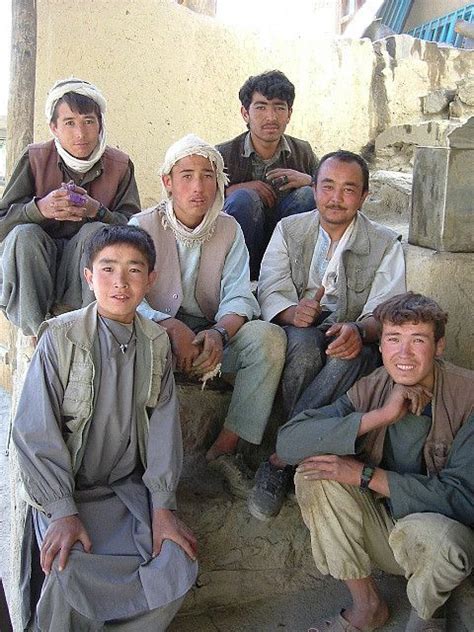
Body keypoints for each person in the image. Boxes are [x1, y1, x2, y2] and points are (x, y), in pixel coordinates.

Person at [12, 225, 198, 631]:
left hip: (124, 495)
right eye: (108, 268)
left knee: (176, 564)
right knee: (65, 565)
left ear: (150, 280)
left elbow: (164, 428)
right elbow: (34, 432)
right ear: (88, 276)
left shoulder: (156, 343)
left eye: (134, 270)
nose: (120, 282)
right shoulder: (60, 338)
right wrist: (62, 511)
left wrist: (163, 507)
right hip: (69, 491)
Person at [277, 292, 474, 632]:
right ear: (381, 346)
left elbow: (466, 501)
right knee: (314, 475)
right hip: (386, 533)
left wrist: (366, 475)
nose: (404, 354)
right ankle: (367, 605)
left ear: (439, 346)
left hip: (441, 539)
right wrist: (379, 416)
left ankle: (427, 616)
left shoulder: (467, 395)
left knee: (441, 542)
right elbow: (289, 442)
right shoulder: (374, 386)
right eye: (393, 340)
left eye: (418, 340)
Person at [249, 150, 406, 521]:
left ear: (365, 196)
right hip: (298, 330)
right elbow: (271, 286)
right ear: (314, 189)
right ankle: (298, 446)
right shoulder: (290, 229)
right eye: (328, 187)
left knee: (346, 355)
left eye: (349, 189)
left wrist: (360, 329)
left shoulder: (386, 242)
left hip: (354, 336)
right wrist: (291, 311)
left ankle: (281, 457)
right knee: (302, 347)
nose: (336, 198)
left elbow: (387, 309)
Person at [131, 134, 286, 498]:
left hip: (209, 337)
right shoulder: (141, 227)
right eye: (186, 175)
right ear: (167, 182)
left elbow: (240, 296)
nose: (197, 186)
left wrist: (219, 333)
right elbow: (129, 298)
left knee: (269, 339)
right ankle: (143, 462)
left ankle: (225, 449)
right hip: (156, 334)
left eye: (207, 175)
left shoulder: (229, 228)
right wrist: (167, 325)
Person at [0, 77, 140, 336]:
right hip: (37, 270)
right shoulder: (35, 158)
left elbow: (136, 232)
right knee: (24, 235)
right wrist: (39, 209)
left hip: (83, 277)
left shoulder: (119, 165)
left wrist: (96, 211)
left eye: (89, 121)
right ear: (53, 127)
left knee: (95, 233)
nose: (80, 133)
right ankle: (35, 336)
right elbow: (2, 226)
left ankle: (84, 329)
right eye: (69, 123)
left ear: (100, 125)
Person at [216, 70, 317, 278]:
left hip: (288, 248)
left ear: (289, 113)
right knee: (243, 199)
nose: (271, 117)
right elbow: (199, 200)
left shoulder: (303, 151)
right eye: (261, 107)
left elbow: (334, 191)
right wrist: (232, 190)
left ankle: (294, 278)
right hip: (243, 250)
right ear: (245, 113)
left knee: (308, 195)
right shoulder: (222, 155)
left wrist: (309, 181)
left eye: (279, 108)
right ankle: (244, 280)